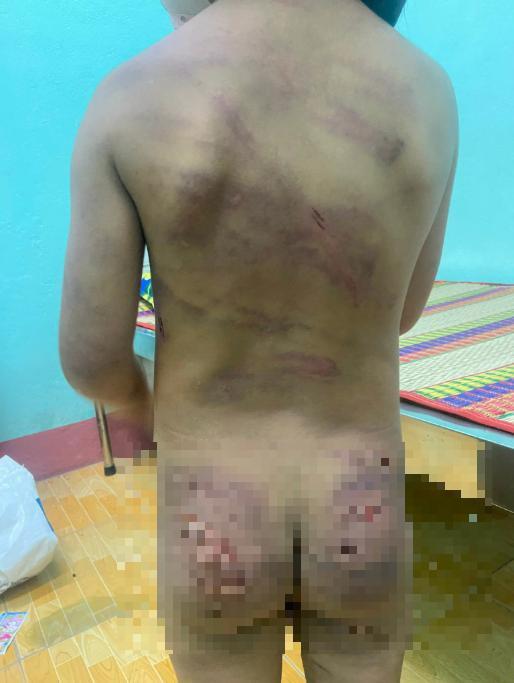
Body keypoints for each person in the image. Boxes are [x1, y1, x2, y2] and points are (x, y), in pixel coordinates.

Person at [59, 0, 459, 680]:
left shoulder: (130, 96)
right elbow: (403, 312)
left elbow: (91, 360)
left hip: (215, 503)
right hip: (358, 495)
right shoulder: (427, 90)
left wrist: (142, 404)